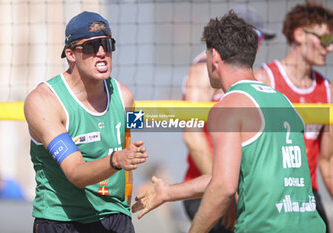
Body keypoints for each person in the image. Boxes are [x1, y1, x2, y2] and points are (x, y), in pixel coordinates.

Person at [132, 10, 326, 233]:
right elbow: (235, 174)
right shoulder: (284, 103)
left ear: (214, 57)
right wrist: (169, 192)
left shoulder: (227, 107)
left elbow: (224, 186)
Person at [24, 11, 148, 233]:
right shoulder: (42, 101)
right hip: (61, 219)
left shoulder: (125, 96)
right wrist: (116, 160)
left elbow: (129, 160)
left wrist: (127, 206)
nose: (102, 53)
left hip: (113, 216)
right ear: (70, 54)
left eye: (107, 44)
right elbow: (76, 174)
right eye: (91, 47)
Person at [182, 5, 275, 233]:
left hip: (243, 190)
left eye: (261, 37)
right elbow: (192, 137)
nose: (259, 43)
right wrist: (225, 189)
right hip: (207, 186)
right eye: (255, 36)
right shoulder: (204, 71)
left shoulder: (258, 77)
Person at [255, 2, 333, 232]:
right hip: (269, 195)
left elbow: (327, 161)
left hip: (308, 195)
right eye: (326, 40)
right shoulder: (264, 80)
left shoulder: (328, 90)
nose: (329, 48)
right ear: (299, 34)